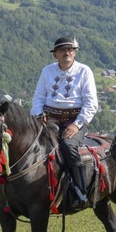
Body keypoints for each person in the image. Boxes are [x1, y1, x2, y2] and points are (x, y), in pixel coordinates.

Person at [31, 36, 99, 211]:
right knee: (33, 146)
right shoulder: (47, 71)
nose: (66, 53)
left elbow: (91, 103)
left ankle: (80, 192)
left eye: (70, 50)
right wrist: (39, 115)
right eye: (62, 50)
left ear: (75, 52)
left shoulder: (85, 71)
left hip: (74, 120)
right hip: (49, 120)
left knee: (68, 147)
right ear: (55, 55)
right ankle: (37, 190)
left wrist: (77, 124)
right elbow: (38, 97)